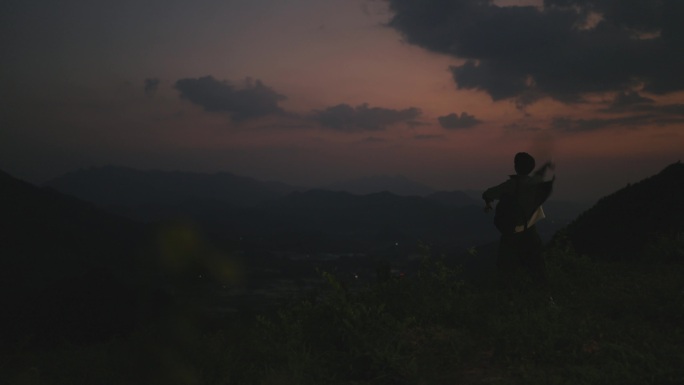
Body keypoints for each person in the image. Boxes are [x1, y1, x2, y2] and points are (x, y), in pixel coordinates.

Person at [482, 152, 555, 291]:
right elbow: (539, 174)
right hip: (531, 233)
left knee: (506, 271)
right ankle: (546, 300)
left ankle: (509, 302)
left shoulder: (511, 185)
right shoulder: (536, 183)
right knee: (538, 270)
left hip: (512, 236)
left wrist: (488, 202)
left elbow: (488, 193)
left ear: (516, 167)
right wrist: (546, 165)